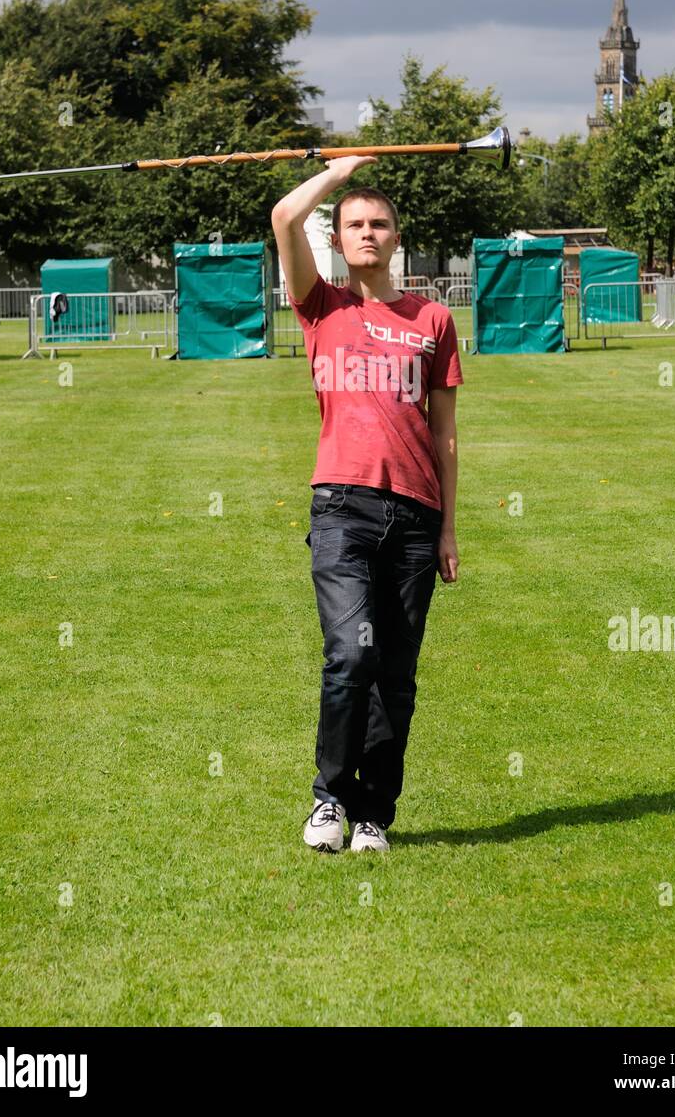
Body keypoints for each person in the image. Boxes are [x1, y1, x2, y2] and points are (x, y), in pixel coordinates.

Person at [272, 156, 463, 854]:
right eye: (354, 224)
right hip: (341, 509)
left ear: (395, 236)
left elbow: (444, 434)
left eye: (378, 223)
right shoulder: (319, 303)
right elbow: (283, 218)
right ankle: (328, 800)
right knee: (349, 658)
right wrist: (335, 172)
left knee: (395, 675)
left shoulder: (432, 319)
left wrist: (447, 528)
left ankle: (373, 816)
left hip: (413, 517)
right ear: (339, 237)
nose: (367, 233)